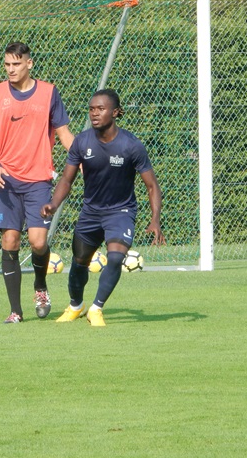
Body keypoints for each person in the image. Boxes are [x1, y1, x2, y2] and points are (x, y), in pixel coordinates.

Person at [41, 89, 166, 327]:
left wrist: (155, 219)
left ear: (116, 112)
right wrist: (53, 204)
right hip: (91, 212)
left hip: (121, 212)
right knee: (79, 261)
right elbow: (67, 180)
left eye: (101, 109)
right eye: (91, 109)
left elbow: (152, 186)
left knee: (116, 257)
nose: (94, 113)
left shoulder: (131, 145)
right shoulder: (82, 141)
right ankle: (76, 306)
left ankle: (96, 308)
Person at [0, 41, 74, 323]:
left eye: (16, 64)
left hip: (38, 180)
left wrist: (84, 157)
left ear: (29, 64)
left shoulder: (49, 93)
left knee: (38, 241)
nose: (11, 69)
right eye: (7, 64)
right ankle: (15, 311)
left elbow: (64, 133)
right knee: (9, 240)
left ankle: (41, 286)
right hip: (6, 179)